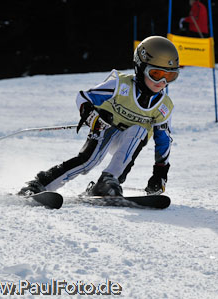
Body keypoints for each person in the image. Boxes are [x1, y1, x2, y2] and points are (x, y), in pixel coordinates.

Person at [18, 36, 179, 197]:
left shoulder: (164, 106)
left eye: (170, 76)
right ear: (140, 67)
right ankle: (41, 184)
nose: (162, 82)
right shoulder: (120, 85)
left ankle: (107, 182)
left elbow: (163, 140)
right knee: (89, 161)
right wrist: (91, 116)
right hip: (104, 128)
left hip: (129, 142)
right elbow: (84, 97)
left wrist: (160, 174)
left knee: (139, 131)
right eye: (156, 74)